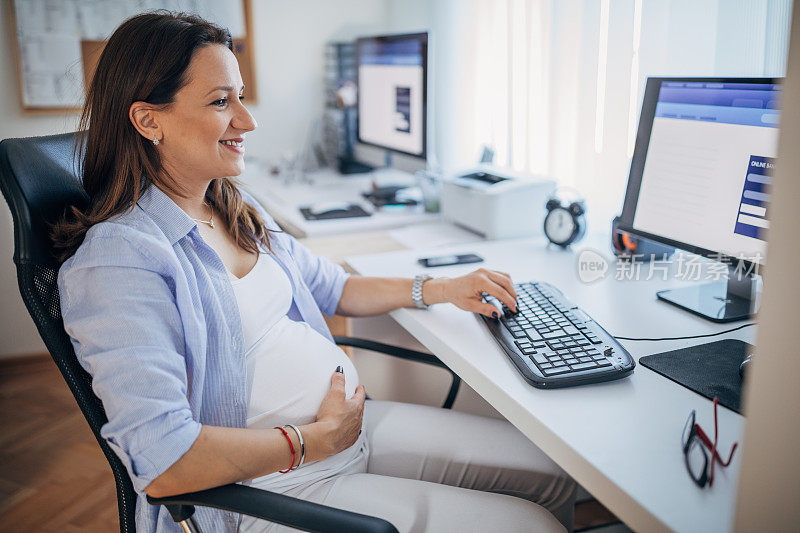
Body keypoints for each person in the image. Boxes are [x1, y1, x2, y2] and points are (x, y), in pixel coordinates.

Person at [53, 12, 576, 533]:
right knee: (534, 525)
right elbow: (164, 462)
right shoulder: (119, 261)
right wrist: (315, 440)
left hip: (347, 434)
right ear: (149, 120)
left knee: (560, 472)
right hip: (274, 488)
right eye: (220, 102)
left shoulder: (229, 204)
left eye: (239, 95)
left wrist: (441, 288)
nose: (247, 120)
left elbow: (334, 286)